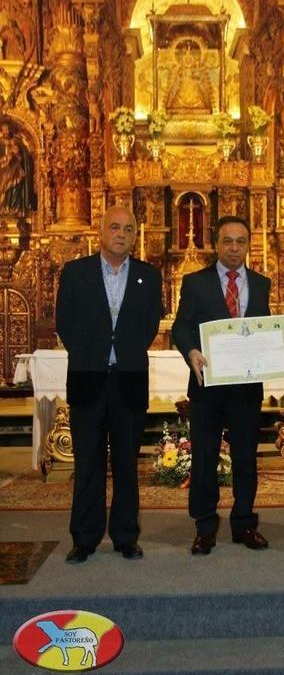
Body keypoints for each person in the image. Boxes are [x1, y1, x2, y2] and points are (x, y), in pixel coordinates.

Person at [56, 205, 163, 563]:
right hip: (88, 379)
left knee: (126, 464)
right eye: (114, 227)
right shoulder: (75, 273)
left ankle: (125, 536)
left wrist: (122, 352)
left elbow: (149, 326)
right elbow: (65, 324)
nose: (121, 234)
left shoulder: (149, 275)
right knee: (87, 462)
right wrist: (96, 354)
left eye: (128, 229)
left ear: (136, 235)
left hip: (129, 382)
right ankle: (84, 538)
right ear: (101, 232)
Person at [172, 215, 271, 555]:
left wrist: (277, 340)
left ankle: (244, 523)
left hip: (246, 388)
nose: (233, 247)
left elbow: (263, 328)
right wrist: (191, 351)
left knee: (245, 458)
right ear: (216, 243)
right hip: (207, 386)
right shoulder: (195, 282)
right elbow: (180, 327)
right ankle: (205, 527)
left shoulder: (261, 283)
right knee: (204, 458)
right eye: (227, 241)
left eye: (240, 241)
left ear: (248, 244)